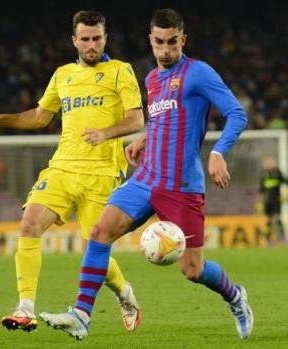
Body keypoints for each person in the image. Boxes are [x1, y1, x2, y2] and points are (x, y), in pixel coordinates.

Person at [39, 8, 254, 340]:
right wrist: (144, 139)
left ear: (183, 39)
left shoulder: (199, 74)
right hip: (145, 179)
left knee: (192, 270)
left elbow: (236, 114)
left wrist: (217, 153)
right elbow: (164, 120)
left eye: (172, 43)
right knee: (100, 232)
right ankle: (81, 315)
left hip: (181, 186)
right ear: (150, 41)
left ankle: (236, 296)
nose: (165, 50)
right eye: (159, 43)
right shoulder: (152, 79)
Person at [0, 10, 145, 333]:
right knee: (29, 223)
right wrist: (0, 118)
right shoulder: (63, 74)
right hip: (63, 167)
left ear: (105, 39)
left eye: (96, 38)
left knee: (95, 250)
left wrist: (106, 133)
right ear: (74, 41)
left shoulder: (120, 71)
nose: (91, 45)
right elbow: (39, 117)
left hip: (102, 174)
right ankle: (25, 308)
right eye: (85, 39)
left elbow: (137, 120)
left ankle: (124, 292)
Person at [258, 155, 287, 244]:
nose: (267, 165)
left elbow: (285, 182)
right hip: (267, 201)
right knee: (268, 220)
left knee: (277, 218)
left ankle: (282, 238)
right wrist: (260, 202)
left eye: (269, 162)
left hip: (276, 200)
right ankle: (268, 240)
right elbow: (261, 190)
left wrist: (285, 194)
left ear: (272, 163)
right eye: (265, 163)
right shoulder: (263, 174)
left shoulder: (277, 173)